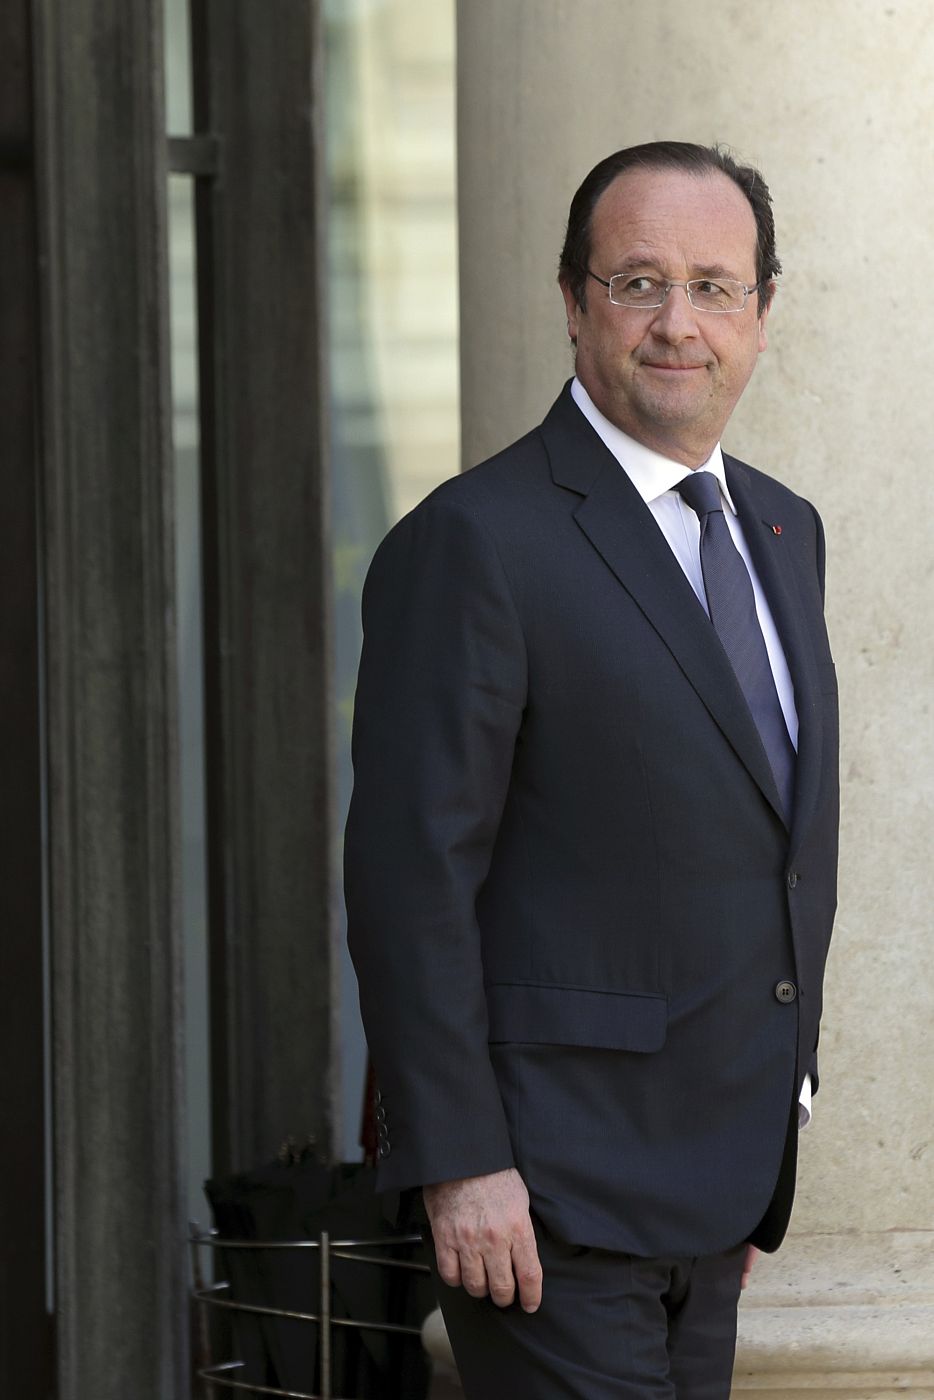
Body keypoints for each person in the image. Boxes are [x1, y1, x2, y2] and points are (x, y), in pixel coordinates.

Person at [344, 141, 839, 1399]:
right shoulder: (473, 542)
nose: (680, 323)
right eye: (637, 282)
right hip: (546, 1197)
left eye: (716, 286)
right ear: (572, 302)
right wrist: (458, 1162)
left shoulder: (784, 530)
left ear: (763, 314)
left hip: (716, 1191)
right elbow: (410, 882)